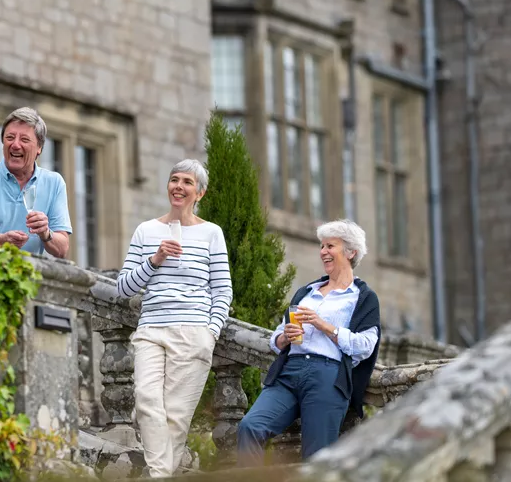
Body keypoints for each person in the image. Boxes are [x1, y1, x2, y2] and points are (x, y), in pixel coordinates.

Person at [116, 159, 232, 478]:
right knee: (146, 400)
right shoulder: (146, 230)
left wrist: (210, 332)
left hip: (194, 332)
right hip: (151, 329)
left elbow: (222, 290)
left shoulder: (211, 233)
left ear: (200, 193)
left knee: (176, 419)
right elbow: (123, 288)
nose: (179, 186)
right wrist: (155, 259)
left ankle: (158, 476)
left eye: (187, 182)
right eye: (174, 179)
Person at [236, 219, 381, 465]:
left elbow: (365, 346)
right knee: (250, 427)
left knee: (316, 456)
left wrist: (324, 325)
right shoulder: (307, 292)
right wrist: (284, 337)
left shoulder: (363, 297)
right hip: (289, 372)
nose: (323, 252)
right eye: (321, 246)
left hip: (328, 376)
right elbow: (276, 338)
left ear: (351, 252)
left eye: (330, 246)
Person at [0, 107, 71, 258]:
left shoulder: (54, 183)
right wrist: (0, 241)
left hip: (29, 272)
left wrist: (45, 233)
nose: (15, 145)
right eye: (10, 137)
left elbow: (62, 249)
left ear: (39, 147)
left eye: (24, 139)